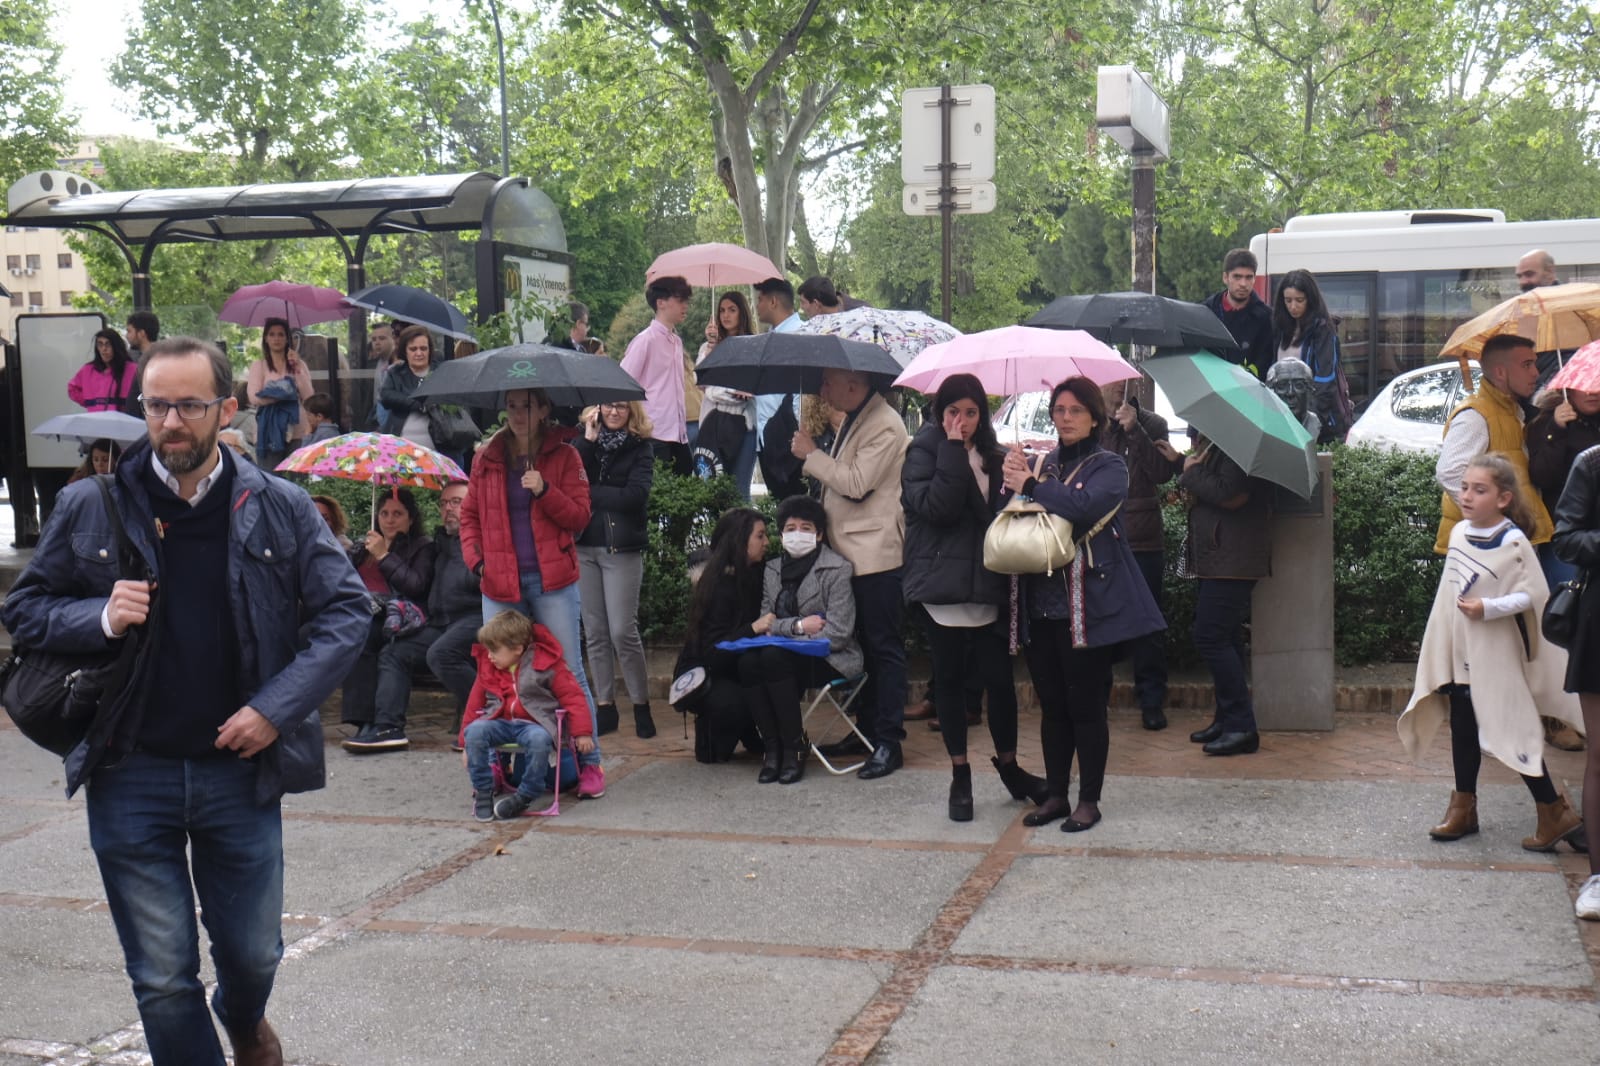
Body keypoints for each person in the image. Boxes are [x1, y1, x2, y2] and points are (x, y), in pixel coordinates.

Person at [0, 336, 369, 1066]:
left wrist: (276, 708)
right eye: (157, 405)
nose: (171, 422)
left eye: (190, 405)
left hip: (240, 769)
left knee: (254, 956)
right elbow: (28, 609)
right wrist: (98, 616)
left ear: (226, 409)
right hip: (129, 769)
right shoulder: (89, 505)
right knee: (163, 978)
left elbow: (347, 613)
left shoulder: (281, 507)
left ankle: (242, 1015)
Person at [1001, 378, 1165, 830]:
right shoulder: (1043, 462)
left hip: (1088, 609)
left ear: (1095, 416)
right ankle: (1056, 795)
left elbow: (1086, 506)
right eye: (1059, 410)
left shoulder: (1109, 465)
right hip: (1040, 606)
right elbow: (1015, 518)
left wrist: (1032, 484)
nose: (1066, 418)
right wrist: (1011, 481)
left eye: (1076, 410)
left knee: (1087, 707)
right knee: (1052, 707)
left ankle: (1088, 800)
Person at [1401, 454, 1585, 853]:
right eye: (1465, 487)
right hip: (1462, 651)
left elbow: (1533, 597)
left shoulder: (1513, 541)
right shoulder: (1461, 534)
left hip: (1498, 653)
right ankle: (1463, 806)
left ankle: (1555, 810)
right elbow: (1447, 598)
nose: (1467, 496)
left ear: (1503, 498)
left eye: (1479, 490)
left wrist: (1489, 608)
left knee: (1510, 725)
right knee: (1463, 726)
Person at [902, 373, 1049, 820]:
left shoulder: (994, 454)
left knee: (999, 682)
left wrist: (1023, 476)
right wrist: (950, 449)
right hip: (943, 584)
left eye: (970, 413)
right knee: (947, 680)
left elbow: (1004, 517)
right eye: (952, 412)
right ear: (939, 413)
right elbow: (938, 509)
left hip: (989, 582)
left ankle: (1009, 766)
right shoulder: (923, 450)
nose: (961, 421)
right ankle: (960, 774)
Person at [460, 386, 607, 797]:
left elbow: (579, 518)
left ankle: (589, 764)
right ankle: (493, 764)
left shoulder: (566, 455)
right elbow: (469, 516)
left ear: (543, 410)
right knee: (494, 671)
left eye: (527, 406)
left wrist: (544, 489)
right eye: (511, 405)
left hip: (552, 581)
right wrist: (478, 561)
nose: (518, 413)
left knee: (570, 673)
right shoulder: (487, 457)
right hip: (499, 581)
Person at [793, 367, 910, 779]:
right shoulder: (859, 417)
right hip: (849, 554)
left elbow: (857, 483)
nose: (822, 389)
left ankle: (889, 740)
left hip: (876, 555)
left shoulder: (885, 424)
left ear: (854, 384)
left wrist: (812, 454)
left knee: (883, 649)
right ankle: (865, 729)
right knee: (859, 649)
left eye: (828, 382)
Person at [732, 495, 861, 784]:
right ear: (781, 534)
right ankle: (773, 747)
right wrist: (802, 625)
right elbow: (766, 623)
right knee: (749, 661)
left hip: (830, 657)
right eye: (790, 528)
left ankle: (794, 749)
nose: (797, 534)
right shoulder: (773, 569)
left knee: (773, 657)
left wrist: (783, 630)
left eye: (805, 528)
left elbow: (838, 633)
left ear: (819, 534)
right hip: (786, 654)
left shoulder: (837, 568)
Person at [1178, 429, 1273, 756]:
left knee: (1210, 635)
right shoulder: (1220, 442)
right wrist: (1185, 463)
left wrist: (1190, 472)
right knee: (1227, 636)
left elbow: (1232, 493)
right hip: (1219, 556)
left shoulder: (1239, 442)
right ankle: (1227, 717)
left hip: (1234, 557)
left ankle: (1242, 727)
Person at [461, 610, 596, 821]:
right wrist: (465, 744)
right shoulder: (490, 667)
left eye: (494, 650)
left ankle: (525, 794)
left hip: (535, 724)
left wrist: (582, 733)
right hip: (501, 722)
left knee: (539, 739)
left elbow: (573, 697)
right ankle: (483, 791)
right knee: (475, 731)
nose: (489, 656)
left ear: (517, 649)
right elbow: (473, 704)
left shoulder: (546, 664)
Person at [574, 400, 657, 738]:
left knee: (623, 630)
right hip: (585, 545)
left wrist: (591, 494)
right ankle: (604, 705)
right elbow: (571, 481)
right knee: (594, 632)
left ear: (631, 412)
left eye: (621, 407)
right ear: (596, 409)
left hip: (622, 546)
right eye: (608, 406)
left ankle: (641, 704)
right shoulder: (584, 443)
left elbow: (635, 497)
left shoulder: (641, 447)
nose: (614, 412)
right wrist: (589, 441)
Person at [1435, 335, 1553, 554]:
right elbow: (1450, 472)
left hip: (1507, 541)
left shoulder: (1513, 411)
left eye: (1534, 364)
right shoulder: (1475, 416)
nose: (1536, 373)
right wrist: (1493, 521)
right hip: (1485, 548)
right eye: (1527, 365)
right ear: (1500, 372)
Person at [1101, 385, 1176, 731]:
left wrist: (1136, 431)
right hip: (1102, 536)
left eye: (1121, 383)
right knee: (1101, 619)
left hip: (1143, 538)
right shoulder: (1093, 426)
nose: (1115, 390)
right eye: (1109, 384)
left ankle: (1151, 699)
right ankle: (1097, 695)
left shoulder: (1153, 424)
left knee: (1148, 623)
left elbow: (1162, 474)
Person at [339, 487, 436, 752]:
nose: (389, 519)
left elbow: (416, 586)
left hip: (399, 616)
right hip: (362, 613)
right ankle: (364, 722)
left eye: (397, 513)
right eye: (384, 513)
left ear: (411, 519)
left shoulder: (422, 547)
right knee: (353, 632)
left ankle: (373, 722)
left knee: (366, 634)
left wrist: (384, 556)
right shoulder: (365, 545)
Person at [675, 508, 773, 763]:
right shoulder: (718, 586)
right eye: (760, 536)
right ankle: (716, 728)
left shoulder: (759, 575)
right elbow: (712, 654)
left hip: (738, 665)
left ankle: (760, 734)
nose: (767, 543)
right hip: (705, 673)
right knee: (729, 719)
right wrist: (753, 628)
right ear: (740, 541)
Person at [1554, 443, 1600, 918]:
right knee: (1599, 756)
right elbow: (1566, 537)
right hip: (1598, 620)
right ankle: (1598, 877)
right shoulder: (1591, 463)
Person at [620, 274, 694, 476]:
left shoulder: (676, 341)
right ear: (660, 303)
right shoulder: (645, 340)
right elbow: (623, 384)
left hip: (678, 433)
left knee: (686, 482)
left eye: (686, 300)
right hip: (653, 432)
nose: (685, 306)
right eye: (680, 300)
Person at [1271, 269, 1351, 443]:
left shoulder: (1324, 329)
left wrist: (1310, 422)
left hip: (1320, 426)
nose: (1293, 306)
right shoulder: (1278, 328)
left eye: (1299, 300)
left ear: (1310, 299)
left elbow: (1325, 381)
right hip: (1285, 419)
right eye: (1288, 300)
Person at [695, 290, 758, 495]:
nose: (726, 315)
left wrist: (722, 388)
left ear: (742, 313)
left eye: (732, 310)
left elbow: (747, 393)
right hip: (712, 425)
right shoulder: (708, 347)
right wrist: (710, 353)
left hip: (743, 427)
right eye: (721, 310)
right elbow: (704, 385)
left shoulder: (752, 346)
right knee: (711, 486)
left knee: (740, 490)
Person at [754, 277, 805, 489]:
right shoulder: (771, 336)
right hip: (767, 439)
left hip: (788, 440)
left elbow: (801, 392)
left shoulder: (799, 336)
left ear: (773, 302)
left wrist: (797, 433)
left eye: (760, 300)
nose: (757, 306)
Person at [246, 317, 313, 469]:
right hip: (268, 431)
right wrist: (284, 394)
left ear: (287, 339)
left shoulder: (299, 364)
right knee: (272, 479)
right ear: (266, 339)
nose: (276, 338)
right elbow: (254, 397)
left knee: (295, 480)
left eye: (281, 334)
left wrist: (296, 368)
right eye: (272, 334)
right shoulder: (259, 366)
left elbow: (309, 396)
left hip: (297, 431)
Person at [1203, 249, 1274, 379]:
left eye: (1248, 277)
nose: (1243, 284)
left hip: (1251, 392)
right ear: (1225, 277)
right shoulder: (1206, 312)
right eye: (1237, 277)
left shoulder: (1266, 318)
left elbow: (1266, 363)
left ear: (1254, 278)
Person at [378, 325, 441, 447]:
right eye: (413, 349)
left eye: (423, 348)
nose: (419, 353)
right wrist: (418, 404)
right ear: (405, 351)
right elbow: (385, 396)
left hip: (439, 447)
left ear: (430, 350)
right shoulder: (395, 373)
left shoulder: (441, 372)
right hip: (401, 446)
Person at [68, 329, 139, 412]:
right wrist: (90, 403)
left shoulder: (132, 369)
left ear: (116, 346)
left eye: (108, 344)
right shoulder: (88, 370)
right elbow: (72, 388)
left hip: (123, 420)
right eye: (100, 344)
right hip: (96, 421)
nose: (103, 349)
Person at [1265, 358, 1322, 440]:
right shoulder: (1267, 426)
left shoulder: (1313, 424)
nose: (1290, 393)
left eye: (1299, 385)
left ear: (1310, 393)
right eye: (1282, 386)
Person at [116, 311, 160, 418]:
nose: (127, 336)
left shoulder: (156, 361)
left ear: (141, 334)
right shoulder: (143, 358)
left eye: (129, 331)